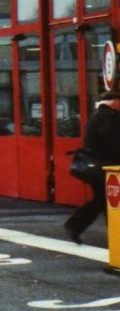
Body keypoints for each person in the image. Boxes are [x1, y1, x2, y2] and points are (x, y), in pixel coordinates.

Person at [65, 90, 120, 243]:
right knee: (108, 198)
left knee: (105, 199)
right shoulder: (107, 117)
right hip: (103, 166)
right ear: (115, 102)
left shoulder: (97, 114)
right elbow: (113, 142)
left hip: (95, 165)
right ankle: (74, 225)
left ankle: (75, 226)